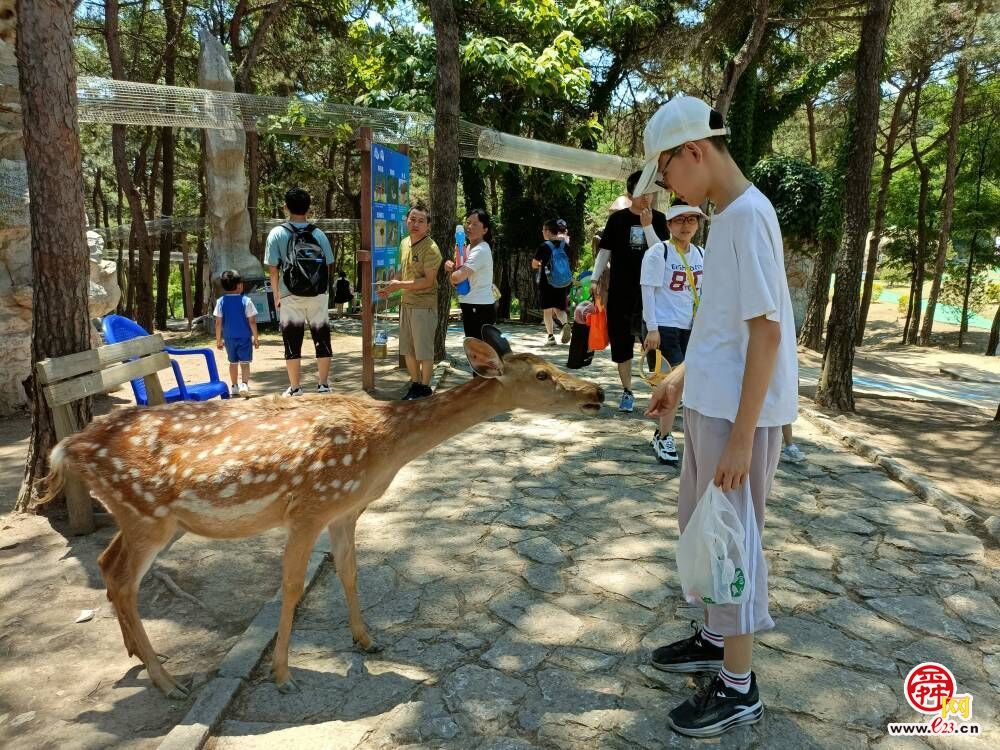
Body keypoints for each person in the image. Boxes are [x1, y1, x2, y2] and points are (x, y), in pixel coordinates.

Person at [640, 96, 798, 737]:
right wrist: (678, 381)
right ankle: (713, 637)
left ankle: (739, 686)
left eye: (668, 172)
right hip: (711, 407)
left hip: (739, 419)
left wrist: (740, 440)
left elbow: (766, 334)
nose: (670, 188)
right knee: (702, 529)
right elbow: (720, 324)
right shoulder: (731, 217)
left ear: (694, 152)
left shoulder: (745, 218)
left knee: (732, 543)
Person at [591, 171, 669, 412]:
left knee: (654, 343)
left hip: (652, 292)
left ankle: (661, 392)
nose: (648, 196)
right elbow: (604, 251)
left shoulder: (660, 219)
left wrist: (647, 227)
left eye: (651, 191)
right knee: (622, 343)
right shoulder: (617, 221)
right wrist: (595, 279)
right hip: (621, 291)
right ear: (629, 194)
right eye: (642, 191)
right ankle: (627, 391)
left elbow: (663, 253)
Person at [640, 204, 706, 463]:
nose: (686, 225)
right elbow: (648, 291)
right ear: (668, 225)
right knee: (673, 383)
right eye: (679, 220)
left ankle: (667, 434)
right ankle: (664, 437)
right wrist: (652, 328)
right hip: (664, 326)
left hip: (691, 327)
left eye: (691, 220)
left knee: (685, 384)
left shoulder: (701, 253)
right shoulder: (659, 252)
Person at [265, 187, 336, 396]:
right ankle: (323, 385)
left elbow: (272, 268)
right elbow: (329, 263)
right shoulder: (318, 234)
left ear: (286, 207)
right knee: (322, 338)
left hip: (290, 294)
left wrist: (277, 295)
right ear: (309, 208)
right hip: (318, 294)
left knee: (292, 340)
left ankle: (296, 388)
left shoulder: (277, 233)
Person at [378, 201, 442, 400]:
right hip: (406, 304)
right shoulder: (404, 243)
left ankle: (425, 387)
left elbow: (428, 281)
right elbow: (402, 271)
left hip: (424, 306)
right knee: (407, 348)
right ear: (406, 221)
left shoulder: (431, 249)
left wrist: (399, 285)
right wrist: (390, 286)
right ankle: (415, 384)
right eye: (412, 219)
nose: (416, 224)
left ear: (428, 226)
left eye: (421, 221)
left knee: (424, 351)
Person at [445, 209, 495, 341]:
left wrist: (453, 273)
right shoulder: (468, 248)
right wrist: (453, 269)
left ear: (485, 230)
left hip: (479, 307)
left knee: (481, 352)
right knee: (476, 350)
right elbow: (456, 280)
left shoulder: (480, 250)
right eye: (468, 223)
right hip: (471, 304)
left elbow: (457, 277)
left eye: (475, 224)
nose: (469, 227)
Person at [213, 269, 259, 398]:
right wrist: (256, 338)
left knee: (233, 363)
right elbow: (252, 321)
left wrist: (218, 340)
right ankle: (244, 384)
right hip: (244, 337)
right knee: (245, 363)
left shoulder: (220, 302)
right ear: (239, 285)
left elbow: (218, 322)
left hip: (229, 338)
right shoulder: (246, 301)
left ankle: (234, 386)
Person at [532, 218, 573, 346]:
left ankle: (550, 337)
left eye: (543, 230)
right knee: (559, 308)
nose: (542, 232)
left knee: (547, 310)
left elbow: (534, 264)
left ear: (549, 231)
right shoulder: (565, 245)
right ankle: (565, 324)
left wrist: (540, 264)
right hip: (562, 281)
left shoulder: (544, 246)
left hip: (547, 281)